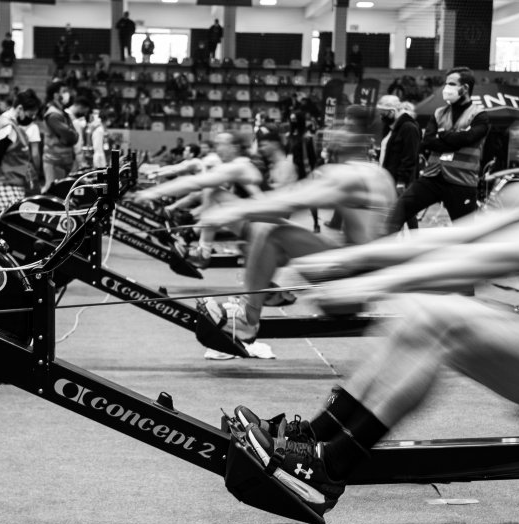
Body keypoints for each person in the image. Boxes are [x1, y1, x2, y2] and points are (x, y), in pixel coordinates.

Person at [229, 82, 519, 516]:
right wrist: (352, 259)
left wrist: (374, 283)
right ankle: (314, 438)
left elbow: (491, 259)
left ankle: (328, 467)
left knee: (441, 315)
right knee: (416, 315)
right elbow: (452, 238)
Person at [193, 105, 397, 346]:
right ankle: (270, 288)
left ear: (365, 138)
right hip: (359, 285)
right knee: (270, 233)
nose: (338, 132)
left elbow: (289, 201)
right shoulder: (376, 173)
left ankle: (247, 319)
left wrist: (231, 211)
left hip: (348, 293)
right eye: (341, 125)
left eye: (348, 128)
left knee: (272, 232)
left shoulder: (352, 176)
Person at [133, 131, 265, 268]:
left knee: (211, 190)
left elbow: (194, 182)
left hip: (261, 229)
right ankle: (195, 240)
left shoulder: (239, 165)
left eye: (221, 144)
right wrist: (155, 173)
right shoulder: (235, 164)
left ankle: (200, 247)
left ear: (234, 147)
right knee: (212, 193)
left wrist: (152, 192)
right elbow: (182, 172)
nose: (217, 148)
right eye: (215, 144)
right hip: (254, 225)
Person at [387, 67, 490, 233]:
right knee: (398, 211)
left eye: (451, 84)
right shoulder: (439, 113)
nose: (446, 88)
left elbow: (468, 138)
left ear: (465, 88)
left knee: (465, 233)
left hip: (461, 181)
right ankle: (383, 246)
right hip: (433, 176)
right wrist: (456, 138)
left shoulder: (479, 115)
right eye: (446, 83)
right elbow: (428, 142)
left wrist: (442, 135)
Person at [0, 89, 42, 226]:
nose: (32, 118)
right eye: (30, 114)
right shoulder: (8, 127)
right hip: (5, 183)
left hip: (9, 182)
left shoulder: (7, 122)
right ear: (20, 108)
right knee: (8, 226)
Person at [376, 95, 421, 198]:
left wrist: (402, 181)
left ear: (392, 111)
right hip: (387, 178)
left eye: (383, 113)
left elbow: (410, 157)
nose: (381, 116)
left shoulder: (409, 128)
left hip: (399, 182)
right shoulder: (390, 127)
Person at [41, 81, 80, 191]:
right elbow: (70, 136)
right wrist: (75, 134)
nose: (67, 94)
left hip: (63, 160)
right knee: (54, 192)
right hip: (55, 161)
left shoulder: (61, 112)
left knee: (62, 192)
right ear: (55, 95)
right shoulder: (53, 114)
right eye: (64, 91)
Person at [287, 110, 320, 232]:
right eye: (291, 119)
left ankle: (316, 224)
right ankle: (284, 222)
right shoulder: (290, 136)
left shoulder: (307, 138)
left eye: (295, 119)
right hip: (291, 172)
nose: (293, 122)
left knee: (310, 200)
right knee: (288, 199)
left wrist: (310, 172)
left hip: (304, 172)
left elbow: (313, 158)